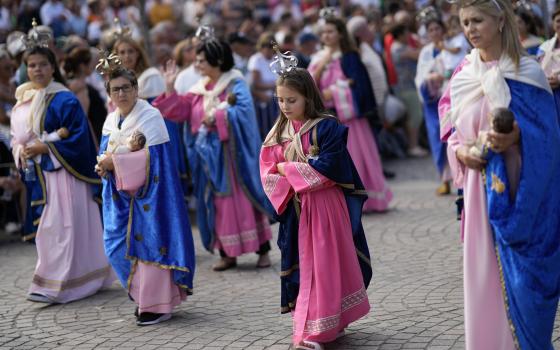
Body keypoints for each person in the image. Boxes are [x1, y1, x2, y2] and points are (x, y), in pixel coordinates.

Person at [438, 0, 560, 348]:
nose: (470, 28)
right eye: (464, 22)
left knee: (521, 284)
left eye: (477, 20)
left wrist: (517, 135)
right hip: (480, 194)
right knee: (484, 282)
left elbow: (549, 136)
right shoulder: (462, 77)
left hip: (522, 192)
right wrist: (461, 152)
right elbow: (453, 136)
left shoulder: (528, 71)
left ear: (501, 21)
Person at [260, 67, 371, 350]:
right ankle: (318, 324)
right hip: (296, 210)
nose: (285, 106)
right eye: (280, 100)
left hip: (325, 208)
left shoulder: (327, 127)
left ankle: (323, 328)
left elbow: (331, 168)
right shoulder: (278, 133)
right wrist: (290, 171)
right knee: (304, 264)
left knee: (325, 263)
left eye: (291, 100)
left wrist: (288, 168)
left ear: (308, 97)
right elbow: (267, 171)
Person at [153, 38, 275, 271]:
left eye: (201, 60)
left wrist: (218, 117)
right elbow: (179, 112)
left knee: (244, 201)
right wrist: (170, 88)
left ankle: (263, 250)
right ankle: (227, 254)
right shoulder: (198, 89)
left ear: (217, 60)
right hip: (208, 160)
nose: (197, 64)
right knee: (216, 204)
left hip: (233, 160)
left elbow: (244, 111)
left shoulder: (235, 83)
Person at [11, 45, 113, 303]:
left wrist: (47, 146)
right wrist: (21, 150)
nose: (37, 70)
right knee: (50, 227)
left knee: (62, 227)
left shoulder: (64, 98)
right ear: (26, 68)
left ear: (52, 66)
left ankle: (59, 284)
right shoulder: (24, 100)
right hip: (40, 174)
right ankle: (61, 279)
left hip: (65, 175)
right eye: (32, 65)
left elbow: (79, 136)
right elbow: (17, 138)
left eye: (43, 64)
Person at [96, 67, 195, 326]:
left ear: (136, 90)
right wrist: (104, 164)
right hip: (118, 197)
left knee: (150, 245)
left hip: (150, 194)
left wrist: (114, 162)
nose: (121, 93)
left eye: (126, 87)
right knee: (114, 244)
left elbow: (155, 159)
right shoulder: (109, 120)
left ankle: (155, 304)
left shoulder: (150, 117)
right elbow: (105, 151)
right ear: (109, 94)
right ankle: (144, 296)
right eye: (115, 89)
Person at [308, 16, 392, 212]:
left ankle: (366, 199)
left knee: (358, 157)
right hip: (328, 118)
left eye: (331, 31)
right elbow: (311, 84)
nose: (326, 35)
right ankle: (343, 200)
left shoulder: (350, 56)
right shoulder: (318, 57)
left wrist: (335, 91)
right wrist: (324, 63)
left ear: (340, 34)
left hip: (351, 119)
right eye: (323, 32)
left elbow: (359, 86)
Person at [113, 36, 189, 198]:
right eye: (122, 52)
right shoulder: (114, 81)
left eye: (131, 51)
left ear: (138, 54)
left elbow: (159, 110)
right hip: (124, 135)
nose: (127, 56)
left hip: (149, 133)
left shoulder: (150, 77)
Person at [414, 17, 452, 195]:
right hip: (432, 104)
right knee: (438, 140)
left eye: (438, 28)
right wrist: (430, 79)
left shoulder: (453, 47)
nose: (435, 32)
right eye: (431, 30)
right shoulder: (426, 53)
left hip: (451, 98)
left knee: (453, 136)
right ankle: (444, 178)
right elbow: (420, 77)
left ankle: (459, 177)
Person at [248, 32, 279, 139]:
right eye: (264, 46)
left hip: (277, 100)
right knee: (265, 133)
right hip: (263, 102)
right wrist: (275, 85)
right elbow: (255, 84)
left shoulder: (278, 59)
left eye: (270, 46)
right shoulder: (256, 59)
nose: (267, 49)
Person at [537, 7, 560, 118]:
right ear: (553, 23)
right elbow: (537, 69)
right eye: (558, 21)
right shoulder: (544, 47)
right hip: (549, 96)